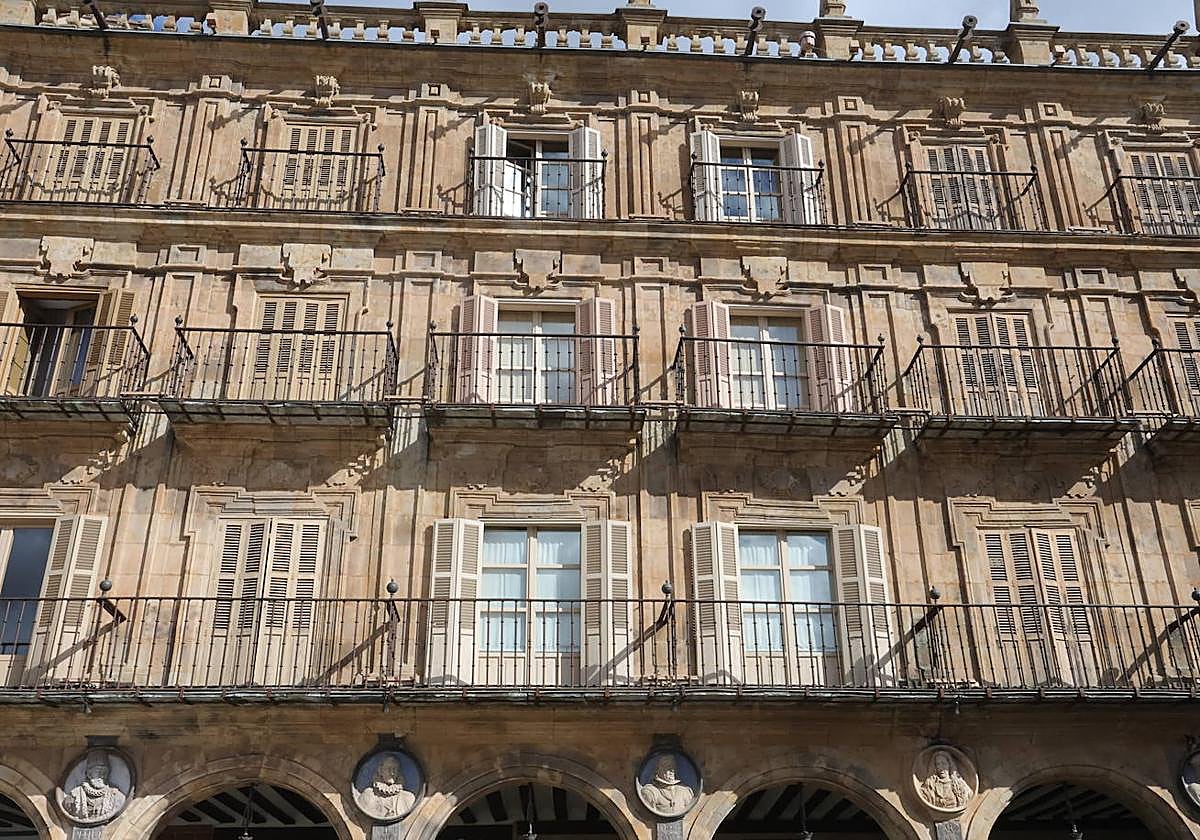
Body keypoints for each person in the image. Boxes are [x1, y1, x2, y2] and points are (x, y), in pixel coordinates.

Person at [62, 751, 126, 823]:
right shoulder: (74, 796)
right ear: (89, 774)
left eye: (104, 771)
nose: (101, 775)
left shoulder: (116, 796)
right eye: (98, 771)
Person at [357, 754, 416, 820]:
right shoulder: (368, 795)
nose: (392, 773)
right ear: (380, 771)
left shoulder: (408, 798)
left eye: (395, 769)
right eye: (388, 768)